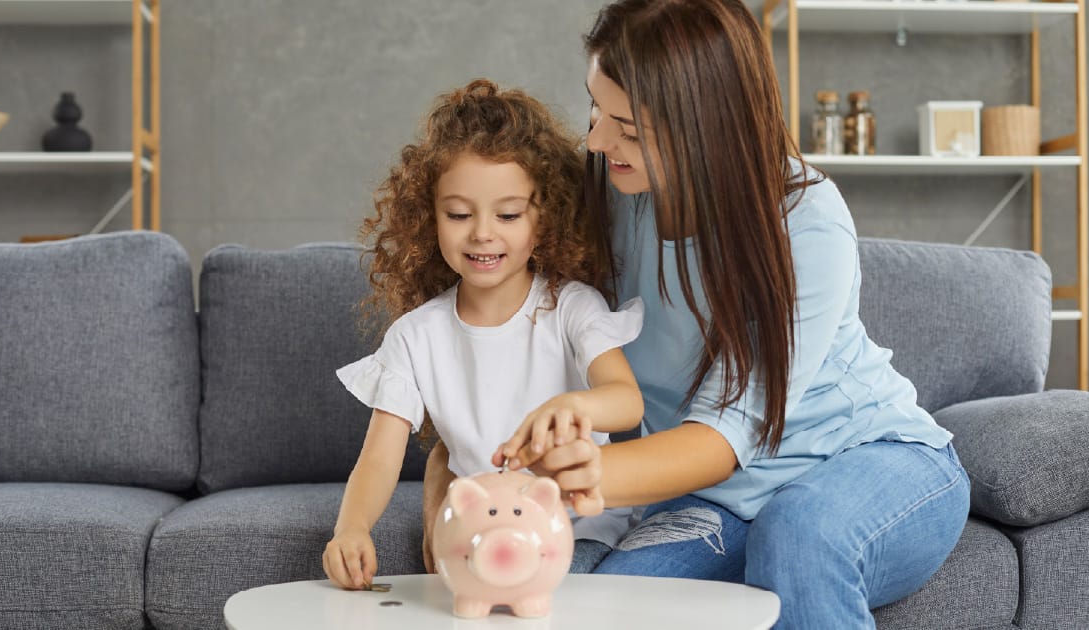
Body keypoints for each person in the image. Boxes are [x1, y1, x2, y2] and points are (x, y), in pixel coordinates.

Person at [427, 2, 971, 627]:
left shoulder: (806, 223)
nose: (597, 141)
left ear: (708, 128)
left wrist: (584, 473)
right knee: (607, 608)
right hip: (714, 499)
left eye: (628, 128)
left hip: (868, 459)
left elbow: (723, 436)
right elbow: (500, 298)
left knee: (798, 535)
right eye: (596, 109)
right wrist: (455, 456)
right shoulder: (612, 186)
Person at [322, 78, 645, 590]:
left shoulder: (572, 308)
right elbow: (380, 457)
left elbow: (627, 402)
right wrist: (352, 528)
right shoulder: (415, 337)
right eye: (458, 214)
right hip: (479, 534)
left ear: (545, 217)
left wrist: (575, 410)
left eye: (509, 214)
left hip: (579, 531)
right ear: (430, 217)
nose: (482, 233)